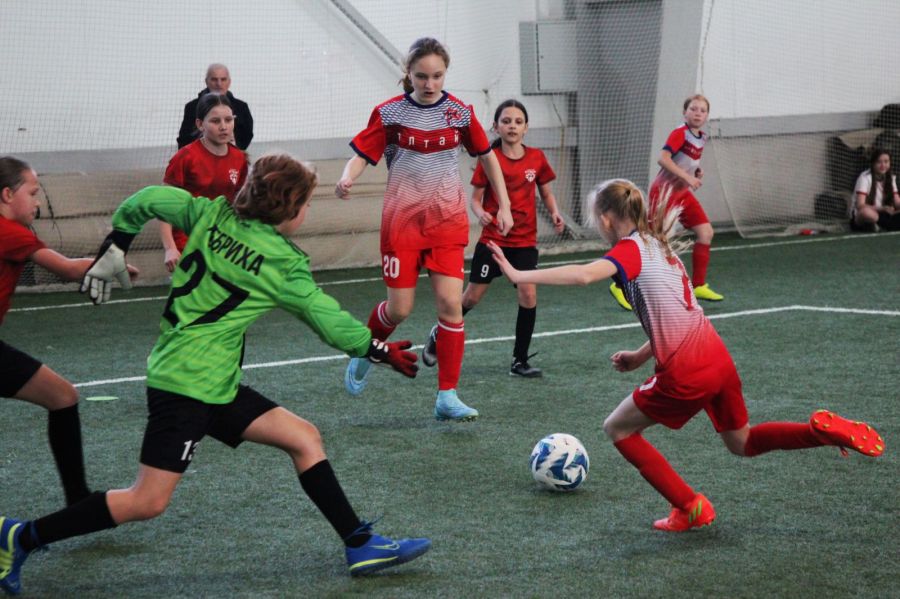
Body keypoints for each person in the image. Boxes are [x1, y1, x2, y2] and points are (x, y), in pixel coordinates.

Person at [0, 154, 431, 596]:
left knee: (304, 438)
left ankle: (359, 543)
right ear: (290, 208)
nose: (306, 212)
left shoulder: (209, 214)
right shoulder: (282, 264)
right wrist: (377, 349)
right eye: (305, 204)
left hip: (206, 380)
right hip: (188, 388)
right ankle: (20, 536)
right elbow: (330, 322)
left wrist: (117, 243)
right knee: (147, 501)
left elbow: (145, 199)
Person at [489, 178, 884, 532]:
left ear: (607, 219)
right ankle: (817, 432)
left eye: (597, 219)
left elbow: (583, 275)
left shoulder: (630, 250)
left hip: (686, 369)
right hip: (716, 356)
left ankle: (689, 507)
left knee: (618, 429)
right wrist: (640, 356)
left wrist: (520, 275)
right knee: (742, 442)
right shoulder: (660, 247)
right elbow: (680, 309)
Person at [335, 37, 514, 421]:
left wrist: (505, 204)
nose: (430, 83)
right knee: (400, 309)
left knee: (451, 306)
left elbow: (487, 157)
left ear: (445, 73)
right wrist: (347, 177)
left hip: (447, 223)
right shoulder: (390, 113)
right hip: (402, 224)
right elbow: (361, 156)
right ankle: (365, 351)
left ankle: (447, 396)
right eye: (421, 76)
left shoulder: (459, 113)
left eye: (437, 76)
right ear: (409, 74)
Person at [0, 157, 137, 510]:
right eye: (32, 193)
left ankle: (77, 499)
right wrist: (112, 264)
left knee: (62, 396)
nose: (38, 202)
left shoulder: (15, 233)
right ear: (7, 195)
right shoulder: (10, 232)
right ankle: (77, 499)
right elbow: (67, 269)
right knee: (62, 396)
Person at [421, 99, 564, 378]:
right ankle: (439, 333)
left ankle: (519, 361)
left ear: (526, 128)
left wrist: (555, 212)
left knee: (528, 294)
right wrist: (482, 214)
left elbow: (546, 192)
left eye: (518, 122)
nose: (512, 126)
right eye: (506, 121)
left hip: (525, 242)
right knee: (472, 296)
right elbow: (475, 200)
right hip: (493, 241)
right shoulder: (489, 159)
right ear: (496, 127)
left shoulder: (536, 158)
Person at [609, 94, 722, 311]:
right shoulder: (680, 133)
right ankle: (619, 284)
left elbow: (686, 160)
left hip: (682, 192)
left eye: (702, 110)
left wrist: (696, 171)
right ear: (684, 112)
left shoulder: (701, 137)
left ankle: (698, 285)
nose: (698, 113)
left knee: (705, 232)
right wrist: (688, 177)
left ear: (707, 115)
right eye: (693, 109)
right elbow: (663, 158)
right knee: (649, 243)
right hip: (665, 192)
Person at [161, 93, 249, 272]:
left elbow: (239, 205)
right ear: (200, 124)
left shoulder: (239, 158)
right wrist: (170, 248)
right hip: (188, 243)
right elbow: (162, 207)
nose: (223, 127)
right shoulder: (185, 157)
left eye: (228, 120)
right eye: (215, 121)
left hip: (223, 243)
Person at [177, 63, 254, 150]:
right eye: (214, 79)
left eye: (223, 79)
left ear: (229, 82)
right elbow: (184, 138)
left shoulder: (241, 107)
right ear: (206, 81)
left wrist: (233, 149)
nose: (219, 84)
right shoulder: (192, 107)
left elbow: (247, 134)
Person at [851, 148, 900, 232]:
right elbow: (860, 205)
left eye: (886, 161)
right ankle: (876, 224)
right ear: (873, 163)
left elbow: (897, 201)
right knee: (867, 213)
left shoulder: (891, 178)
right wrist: (882, 208)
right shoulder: (865, 177)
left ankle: (879, 226)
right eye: (879, 162)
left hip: (884, 215)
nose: (883, 165)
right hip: (867, 214)